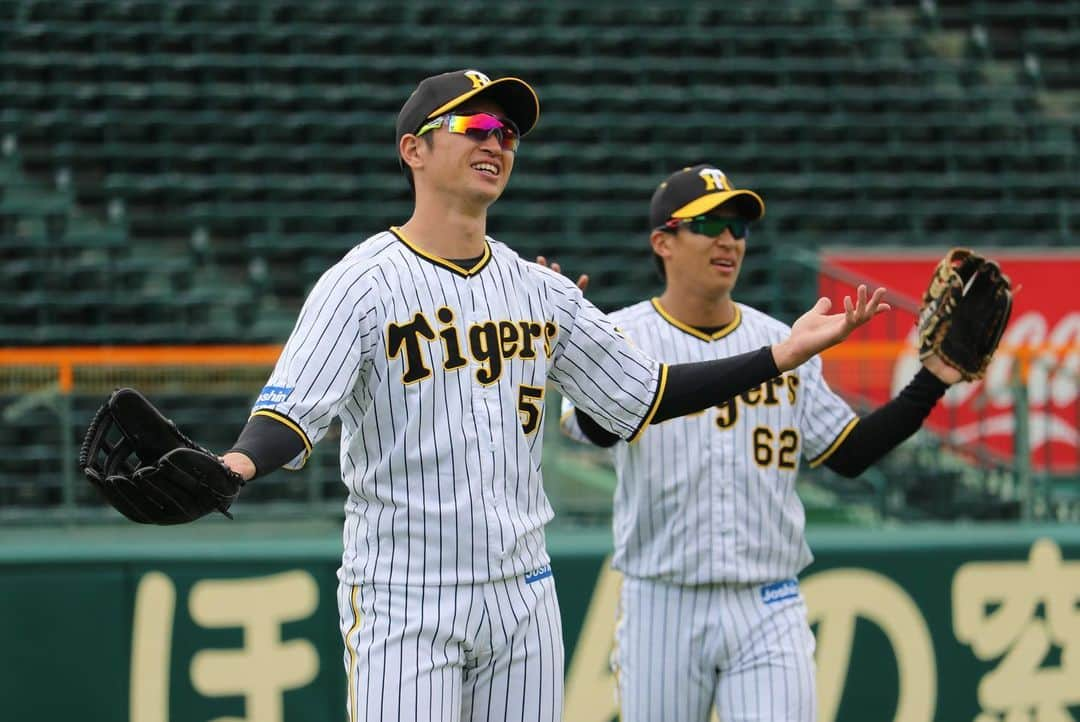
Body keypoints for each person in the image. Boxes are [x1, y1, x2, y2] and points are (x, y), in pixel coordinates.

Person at [218, 74, 888, 722]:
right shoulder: (361, 283)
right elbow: (290, 413)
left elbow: (648, 394)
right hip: (406, 594)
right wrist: (235, 468)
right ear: (413, 150)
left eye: (508, 132)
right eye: (475, 125)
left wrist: (781, 356)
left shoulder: (542, 293)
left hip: (524, 597)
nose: (497, 142)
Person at [559, 164, 963, 722]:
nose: (729, 238)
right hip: (662, 601)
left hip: (767, 599)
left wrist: (933, 378)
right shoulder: (624, 335)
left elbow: (848, 454)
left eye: (740, 227)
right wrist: (583, 353)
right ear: (663, 243)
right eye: (710, 224)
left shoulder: (782, 342)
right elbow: (595, 427)